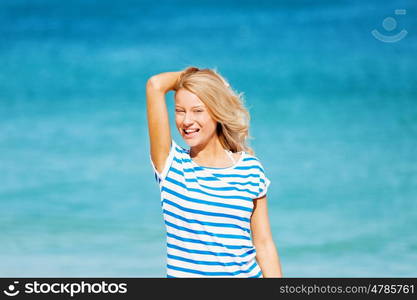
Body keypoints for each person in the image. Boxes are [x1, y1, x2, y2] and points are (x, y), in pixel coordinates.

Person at [146, 66, 283, 278]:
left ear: (217, 112)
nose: (186, 121)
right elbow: (155, 85)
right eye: (180, 110)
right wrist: (193, 74)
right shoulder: (171, 165)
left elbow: (264, 246)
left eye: (197, 110)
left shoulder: (250, 170)